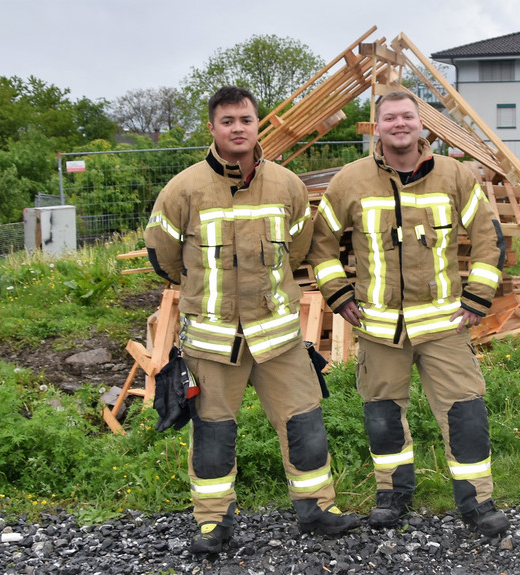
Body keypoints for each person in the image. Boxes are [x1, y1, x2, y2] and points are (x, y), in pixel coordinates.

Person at [145, 86, 359, 555]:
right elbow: (164, 257)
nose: (237, 129)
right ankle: (213, 523)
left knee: (304, 424)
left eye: (245, 119)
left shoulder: (287, 185)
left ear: (257, 124)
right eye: (228, 121)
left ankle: (317, 509)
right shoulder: (183, 189)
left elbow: (298, 249)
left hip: (278, 337)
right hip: (212, 340)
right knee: (213, 433)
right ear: (212, 127)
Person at [306, 91, 510, 538]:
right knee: (382, 418)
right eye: (390, 118)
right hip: (379, 329)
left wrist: (477, 297)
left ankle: (478, 501)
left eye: (407, 117)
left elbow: (487, 236)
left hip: (444, 327)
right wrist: (338, 294)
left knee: (465, 413)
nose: (399, 124)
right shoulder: (350, 180)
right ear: (376, 127)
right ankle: (392, 496)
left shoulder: (454, 174)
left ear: (421, 125)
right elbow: (321, 245)